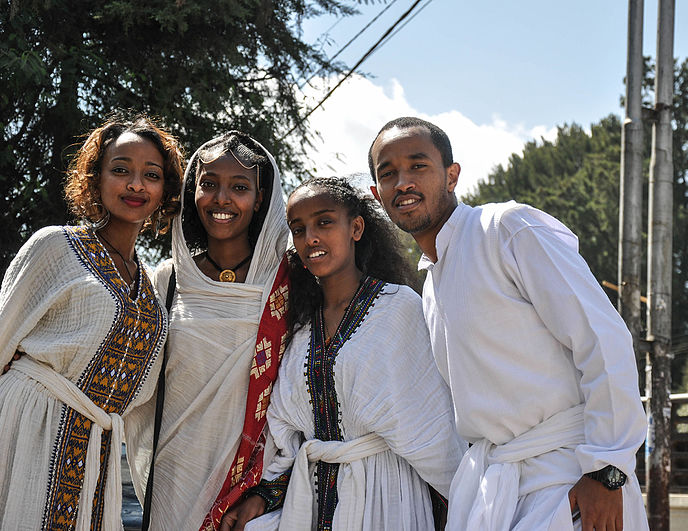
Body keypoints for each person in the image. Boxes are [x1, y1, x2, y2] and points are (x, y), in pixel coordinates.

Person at [368, 117, 649, 531]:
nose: (403, 182)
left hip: (570, 479)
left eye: (418, 165)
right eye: (388, 174)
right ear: (377, 194)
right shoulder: (430, 285)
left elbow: (603, 340)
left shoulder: (506, 229)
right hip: (492, 488)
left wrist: (607, 472)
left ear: (452, 175)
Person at [239, 177, 466, 531]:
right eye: (299, 229)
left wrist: (464, 500)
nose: (310, 237)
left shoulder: (398, 308)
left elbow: (432, 428)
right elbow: (285, 430)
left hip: (387, 495)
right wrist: (265, 494)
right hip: (311, 498)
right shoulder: (298, 326)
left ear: (356, 227)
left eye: (324, 222)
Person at [0, 113, 184, 530]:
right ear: (96, 179)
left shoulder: (153, 293)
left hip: (94, 447)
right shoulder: (56, 246)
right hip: (26, 426)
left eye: (151, 175)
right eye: (121, 170)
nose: (136, 184)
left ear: (165, 191)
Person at [124, 131, 291, 531]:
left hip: (255, 489)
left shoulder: (287, 283)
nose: (222, 199)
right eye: (209, 184)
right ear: (190, 192)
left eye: (239, 187)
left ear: (261, 197)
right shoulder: (167, 281)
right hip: (174, 477)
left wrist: (268, 488)